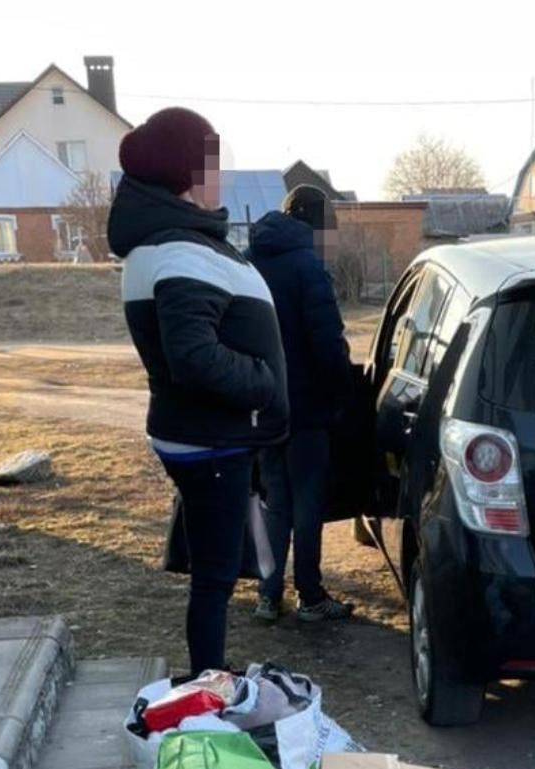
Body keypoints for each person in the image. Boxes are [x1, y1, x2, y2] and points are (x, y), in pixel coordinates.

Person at [108, 107, 288, 672]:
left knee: (215, 564)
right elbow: (193, 356)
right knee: (213, 578)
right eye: (212, 163)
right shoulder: (179, 251)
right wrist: (263, 386)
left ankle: (210, 674)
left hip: (209, 435)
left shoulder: (173, 242)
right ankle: (207, 683)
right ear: (187, 175)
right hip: (212, 441)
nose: (222, 177)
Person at [246, 185, 355, 624]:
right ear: (315, 223)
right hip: (307, 405)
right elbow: (327, 341)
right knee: (308, 501)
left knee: (277, 500)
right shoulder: (308, 267)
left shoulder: (251, 263)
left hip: (265, 403)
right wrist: (343, 392)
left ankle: (268, 596)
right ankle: (310, 595)